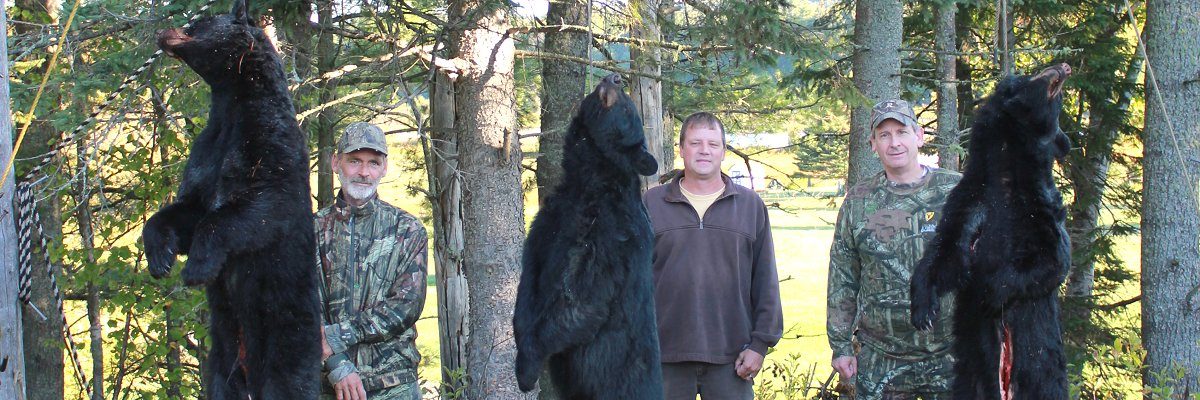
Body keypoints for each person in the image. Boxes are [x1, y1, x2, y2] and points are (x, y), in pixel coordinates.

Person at [643, 112, 784, 399]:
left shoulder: (749, 206)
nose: (704, 150)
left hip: (733, 357)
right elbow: (630, 281)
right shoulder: (651, 204)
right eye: (695, 143)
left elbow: (765, 280)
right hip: (662, 356)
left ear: (723, 151)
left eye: (712, 144)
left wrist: (759, 345)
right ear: (681, 150)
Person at [826, 99, 960, 399]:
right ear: (873, 143)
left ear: (920, 136)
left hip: (951, 355)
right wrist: (841, 345)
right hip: (880, 358)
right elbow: (843, 277)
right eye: (884, 135)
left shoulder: (955, 192)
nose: (894, 142)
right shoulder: (859, 201)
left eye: (901, 132)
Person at [316, 122, 427, 400]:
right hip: (327, 385)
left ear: (384, 168)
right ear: (335, 162)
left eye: (373, 163)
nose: (364, 172)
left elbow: (405, 306)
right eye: (354, 161)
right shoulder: (310, 230)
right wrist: (337, 365)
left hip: (394, 384)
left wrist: (337, 336)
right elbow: (303, 307)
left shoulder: (408, 230)